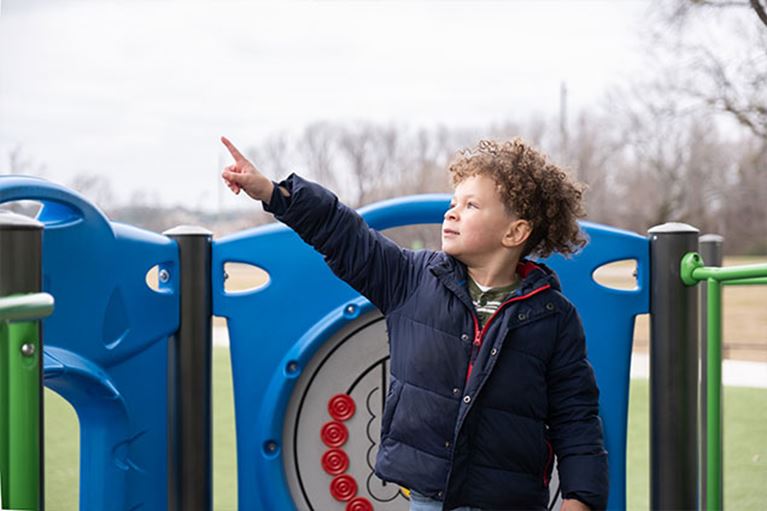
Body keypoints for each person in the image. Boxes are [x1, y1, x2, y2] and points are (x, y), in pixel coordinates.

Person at [220, 136, 608, 511]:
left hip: (512, 500)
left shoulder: (552, 317)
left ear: (515, 232)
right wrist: (273, 192)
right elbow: (342, 234)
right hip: (429, 497)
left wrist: (580, 499)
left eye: (471, 205)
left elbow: (576, 417)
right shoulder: (412, 279)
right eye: (453, 202)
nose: (451, 212)